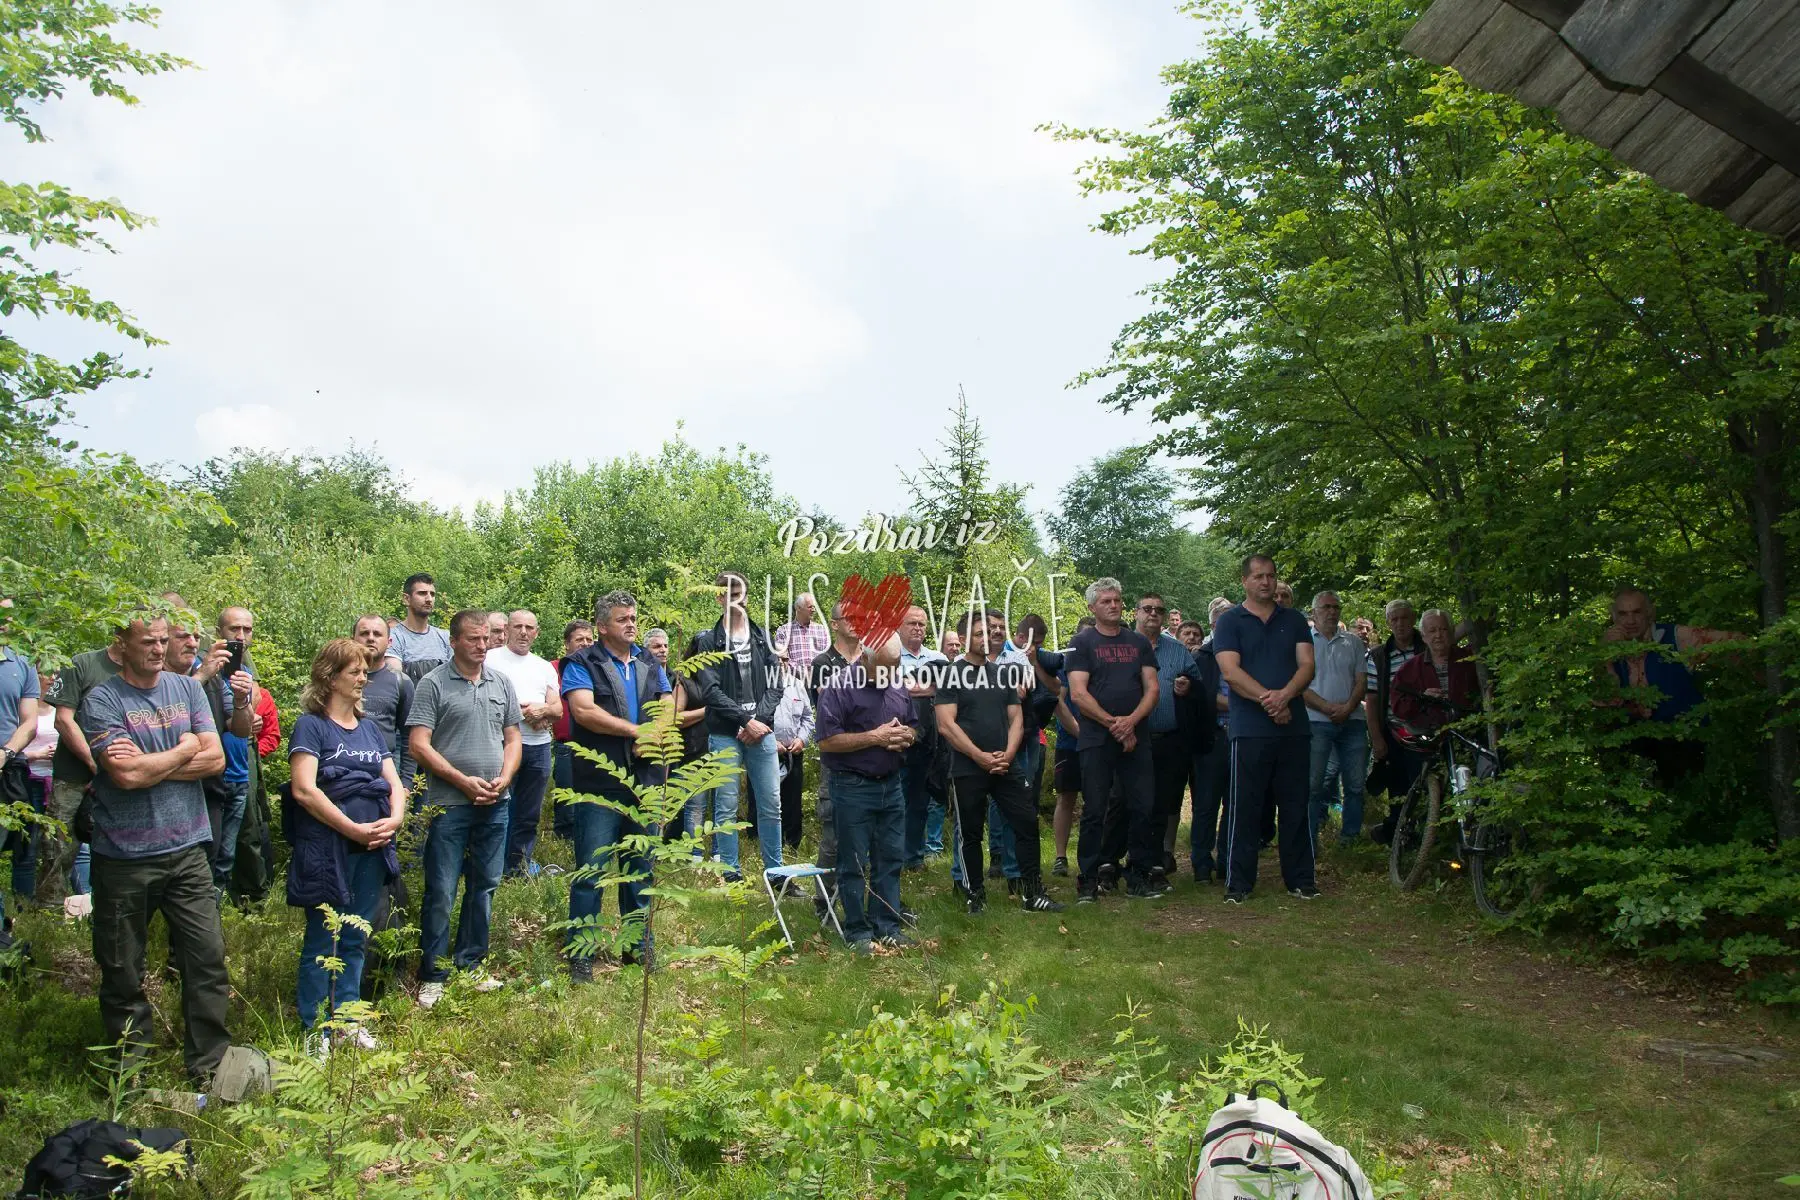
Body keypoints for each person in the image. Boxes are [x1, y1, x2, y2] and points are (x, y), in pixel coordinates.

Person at [78, 613, 231, 1083]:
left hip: (188, 849)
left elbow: (216, 758)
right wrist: (184, 750)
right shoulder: (102, 699)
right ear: (121, 643)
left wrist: (151, 765)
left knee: (206, 960)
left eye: (164, 640)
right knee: (122, 969)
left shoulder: (187, 689)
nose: (160, 649)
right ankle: (130, 1074)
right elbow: (125, 775)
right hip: (123, 857)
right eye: (149, 641)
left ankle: (209, 1066)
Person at [286, 639, 406, 1049]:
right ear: (330, 677)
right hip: (328, 849)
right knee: (325, 937)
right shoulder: (312, 726)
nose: (362, 679)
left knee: (356, 933)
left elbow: (394, 782)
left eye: (364, 672)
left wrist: (395, 818)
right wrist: (352, 829)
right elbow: (304, 790)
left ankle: (348, 1021)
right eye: (354, 672)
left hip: (372, 848)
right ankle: (315, 1028)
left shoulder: (369, 728)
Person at [407, 610, 521, 1008]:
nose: (482, 645)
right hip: (449, 804)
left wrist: (505, 777)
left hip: (495, 803)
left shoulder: (500, 682)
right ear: (454, 641)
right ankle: (433, 974)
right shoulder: (433, 683)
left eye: (485, 638)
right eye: (473, 638)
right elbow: (418, 744)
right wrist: (461, 780)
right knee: (441, 889)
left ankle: (470, 964)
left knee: (484, 886)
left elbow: (513, 739)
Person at [559, 590, 670, 980]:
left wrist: (655, 733)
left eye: (634, 618)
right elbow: (584, 711)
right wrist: (635, 732)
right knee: (591, 871)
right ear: (602, 626)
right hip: (599, 783)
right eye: (622, 619)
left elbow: (667, 704)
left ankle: (637, 948)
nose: (631, 624)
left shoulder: (648, 660)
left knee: (640, 869)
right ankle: (581, 953)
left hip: (644, 781)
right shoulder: (581, 662)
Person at [937, 609, 1062, 914]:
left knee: (1026, 821)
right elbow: (946, 725)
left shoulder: (1003, 673)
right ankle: (974, 895)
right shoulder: (951, 674)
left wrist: (1007, 754)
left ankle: (1032, 893)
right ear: (963, 638)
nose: (988, 636)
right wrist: (978, 756)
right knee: (970, 833)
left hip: (1005, 764)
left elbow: (1016, 718)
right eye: (979, 633)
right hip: (968, 766)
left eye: (990, 632)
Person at [1213, 555, 1318, 903]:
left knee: (1295, 806)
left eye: (1271, 576)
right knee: (1245, 808)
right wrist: (1270, 702)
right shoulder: (1230, 622)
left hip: (1294, 728)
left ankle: (1301, 879)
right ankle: (1239, 883)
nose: (1266, 582)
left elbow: (1307, 665)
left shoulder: (1295, 620)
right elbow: (1230, 672)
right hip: (1250, 730)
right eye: (1258, 576)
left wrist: (1285, 696)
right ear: (1244, 581)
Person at [816, 632, 917, 953]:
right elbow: (826, 741)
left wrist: (907, 736)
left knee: (891, 858)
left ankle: (886, 925)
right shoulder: (839, 687)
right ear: (864, 657)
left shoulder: (897, 683)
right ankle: (857, 932)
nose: (890, 674)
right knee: (854, 862)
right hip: (852, 787)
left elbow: (913, 725)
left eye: (895, 667)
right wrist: (875, 737)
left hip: (892, 785)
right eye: (884, 668)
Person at [1066, 578, 1162, 903]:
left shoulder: (1138, 642)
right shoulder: (1082, 642)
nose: (1113, 605)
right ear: (1092, 607)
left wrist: (1131, 723)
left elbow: (1152, 689)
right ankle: (1089, 880)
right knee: (1095, 809)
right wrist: (1113, 724)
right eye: (1106, 601)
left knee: (1142, 806)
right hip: (1097, 738)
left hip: (1137, 736)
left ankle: (1139, 875)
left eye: (1117, 600)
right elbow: (1078, 694)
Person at [690, 571, 785, 883]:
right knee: (726, 807)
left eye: (740, 593)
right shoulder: (708, 640)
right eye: (729, 594)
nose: (736, 599)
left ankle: (776, 874)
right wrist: (746, 721)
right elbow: (710, 691)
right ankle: (730, 876)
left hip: (762, 732)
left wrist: (760, 721)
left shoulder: (763, 637)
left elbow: (776, 684)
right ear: (719, 598)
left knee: (771, 804)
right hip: (725, 733)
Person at [1603, 586, 1742, 783]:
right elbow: (1606, 701)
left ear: (1650, 613)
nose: (1630, 621)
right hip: (1637, 745)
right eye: (1623, 614)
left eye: (1637, 612)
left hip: (1685, 740)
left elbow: (1734, 643)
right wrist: (1605, 657)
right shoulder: (1608, 648)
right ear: (1614, 617)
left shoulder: (1676, 637)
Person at [483, 610, 562, 876]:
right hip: (500, 744)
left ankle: (518, 867)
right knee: (498, 808)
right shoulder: (490, 660)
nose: (524, 632)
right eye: (518, 626)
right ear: (507, 629)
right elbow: (480, 699)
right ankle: (491, 867)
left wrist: (543, 711)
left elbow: (558, 709)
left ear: (537, 633)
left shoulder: (543, 667)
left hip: (538, 747)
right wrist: (524, 713)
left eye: (529, 627)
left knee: (528, 813)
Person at [1135, 592, 1205, 882]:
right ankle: (1131, 856)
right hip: (1132, 737)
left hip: (1170, 738)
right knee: (1134, 800)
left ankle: (1161, 855)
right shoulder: (1124, 647)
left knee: (1166, 800)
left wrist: (1188, 686)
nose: (1154, 613)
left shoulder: (1177, 650)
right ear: (1136, 613)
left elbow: (1199, 686)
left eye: (1159, 610)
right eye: (1148, 609)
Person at [1303, 591, 1369, 846]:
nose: (1332, 612)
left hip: (1353, 720)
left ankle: (1350, 837)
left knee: (1355, 783)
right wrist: (1327, 707)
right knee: (1314, 784)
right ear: (1314, 612)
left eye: (1336, 607)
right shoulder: (1303, 642)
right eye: (1326, 607)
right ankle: (1309, 840)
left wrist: (1348, 707)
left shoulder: (1353, 642)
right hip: (1316, 720)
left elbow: (1361, 681)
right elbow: (1299, 685)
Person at [210, 606, 267, 891]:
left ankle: (229, 904)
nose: (241, 636)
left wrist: (246, 706)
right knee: (208, 852)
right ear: (219, 631)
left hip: (238, 770)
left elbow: (240, 723)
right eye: (235, 629)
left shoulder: (244, 669)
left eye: (247, 629)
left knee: (228, 854)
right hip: (210, 774)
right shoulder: (204, 666)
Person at [1366, 599, 1426, 841]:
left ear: (1414, 620)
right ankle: (1400, 834)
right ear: (1388, 623)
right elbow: (1372, 700)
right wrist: (1377, 738)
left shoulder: (1427, 648)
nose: (1400, 624)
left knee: (1424, 782)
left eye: (1405, 618)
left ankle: (1427, 833)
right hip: (1394, 732)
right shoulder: (1379, 656)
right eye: (1395, 619)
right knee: (1397, 786)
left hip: (1427, 730)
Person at [896, 606, 948, 869]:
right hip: (895, 739)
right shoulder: (890, 654)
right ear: (899, 625)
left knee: (919, 801)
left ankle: (913, 857)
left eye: (922, 624)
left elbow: (949, 689)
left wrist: (912, 685)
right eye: (912, 623)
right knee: (894, 800)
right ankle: (889, 856)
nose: (918, 628)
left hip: (929, 742)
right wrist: (929, 687)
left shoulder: (938, 657)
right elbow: (893, 688)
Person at [1178, 619, 1229, 883]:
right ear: (1214, 626)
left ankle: (1228, 860)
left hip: (1242, 736)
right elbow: (1200, 696)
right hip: (1212, 737)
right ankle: (1201, 862)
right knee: (1207, 803)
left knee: (1236, 803)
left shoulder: (1247, 653)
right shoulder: (1201, 658)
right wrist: (1239, 702)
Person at [1047, 614, 1097, 877]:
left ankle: (1097, 856)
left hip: (1099, 742)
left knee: (1098, 799)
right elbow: (1059, 702)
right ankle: (1060, 857)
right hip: (1069, 742)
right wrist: (1078, 731)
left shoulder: (1103, 663)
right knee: (1066, 797)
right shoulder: (1064, 664)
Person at [0, 634, 41, 942]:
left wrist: (5, 753)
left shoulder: (21, 663)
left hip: (9, 769)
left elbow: (29, 722)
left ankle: (12, 932)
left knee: (21, 848)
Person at [1391, 610, 1481, 732]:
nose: (1438, 635)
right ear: (1423, 636)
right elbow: (1398, 708)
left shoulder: (1470, 660)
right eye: (1432, 631)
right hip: (1430, 737)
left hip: (1470, 734)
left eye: (1443, 629)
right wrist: (1422, 699)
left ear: (1451, 632)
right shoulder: (1409, 669)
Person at [353, 614, 415, 788]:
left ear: (389, 642)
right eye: (364, 633)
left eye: (377, 634)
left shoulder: (401, 682)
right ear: (353, 639)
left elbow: (409, 736)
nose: (371, 638)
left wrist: (406, 784)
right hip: (342, 771)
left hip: (384, 775)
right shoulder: (337, 679)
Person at [550, 620, 597, 841]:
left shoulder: (600, 669)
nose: (585, 643)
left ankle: (588, 836)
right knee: (566, 796)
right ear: (567, 643)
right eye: (579, 639)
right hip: (566, 744)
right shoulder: (553, 668)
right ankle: (564, 842)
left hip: (596, 744)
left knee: (592, 797)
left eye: (589, 639)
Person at [772, 671, 815, 853]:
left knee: (792, 801)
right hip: (765, 752)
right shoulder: (757, 681)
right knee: (767, 800)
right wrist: (769, 742)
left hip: (793, 752)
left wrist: (802, 739)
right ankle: (760, 842)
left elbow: (808, 717)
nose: (782, 663)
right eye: (778, 659)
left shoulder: (796, 684)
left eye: (785, 659)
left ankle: (792, 845)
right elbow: (749, 718)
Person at [388, 574, 453, 680]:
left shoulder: (445, 637)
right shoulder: (393, 637)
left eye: (432, 594)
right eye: (422, 593)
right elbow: (395, 680)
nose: (429, 599)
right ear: (406, 599)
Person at [774, 593, 830, 683]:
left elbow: (827, 656)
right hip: (794, 682)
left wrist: (815, 674)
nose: (813, 610)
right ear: (798, 608)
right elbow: (782, 659)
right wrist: (803, 673)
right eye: (810, 607)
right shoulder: (784, 630)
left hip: (819, 682)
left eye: (814, 607)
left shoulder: (822, 630)